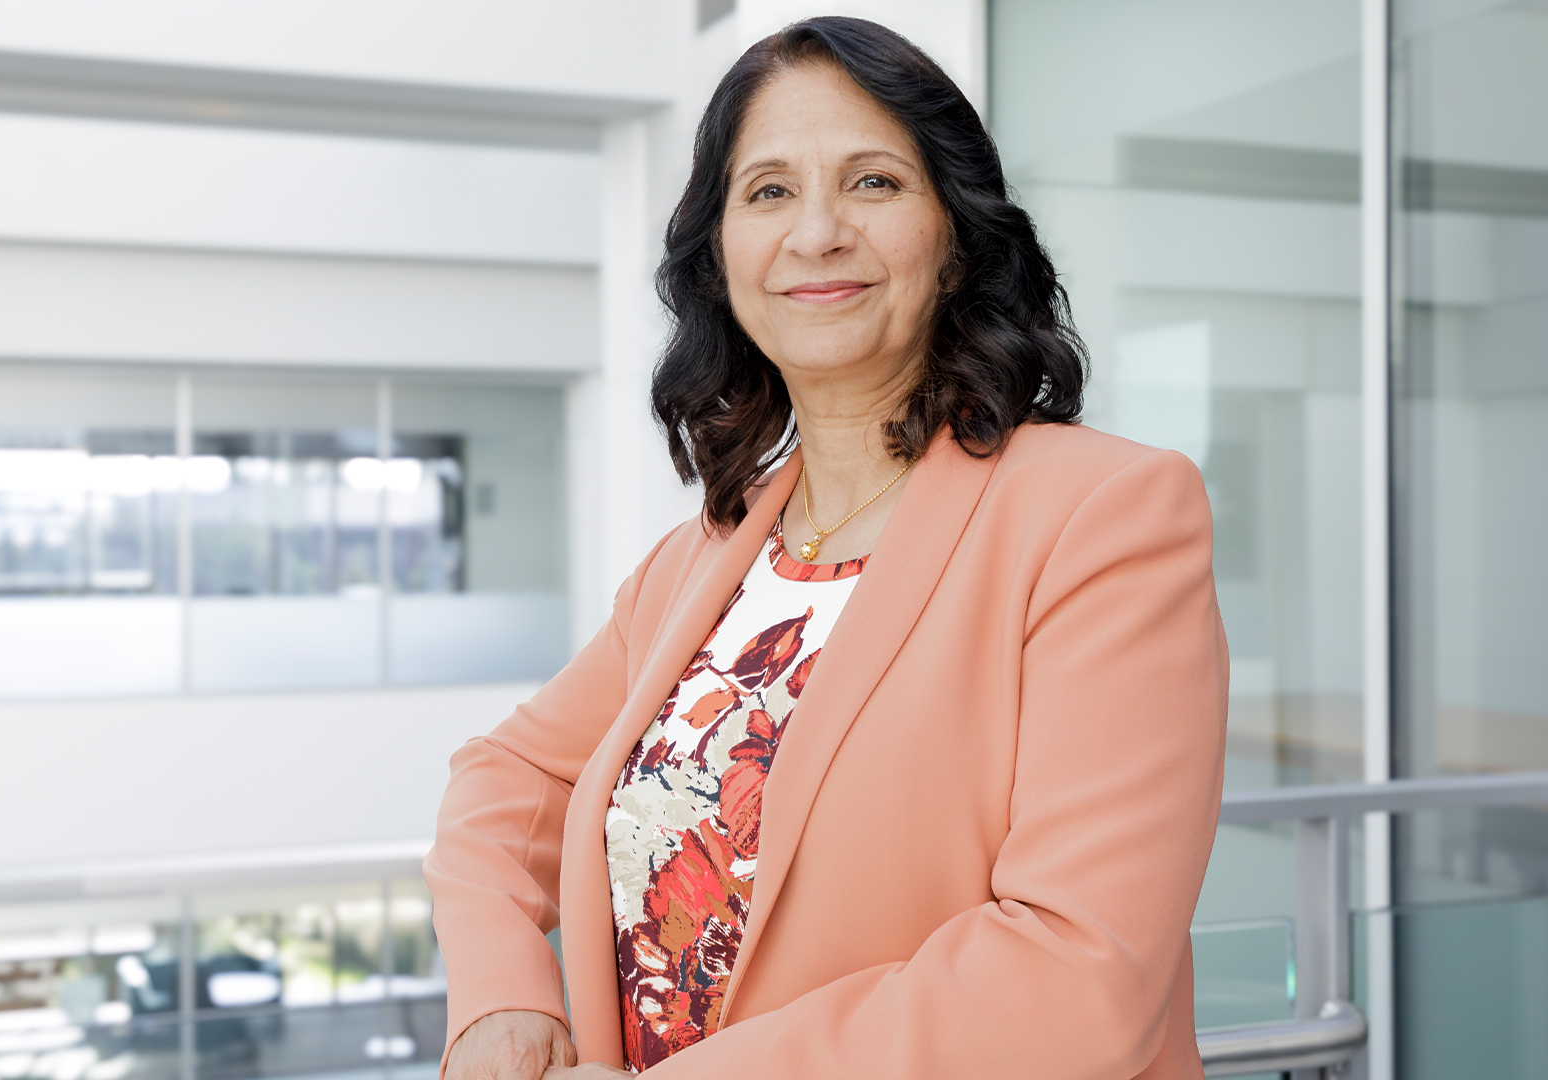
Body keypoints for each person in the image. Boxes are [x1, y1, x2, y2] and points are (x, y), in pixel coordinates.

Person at [424, 16, 1227, 1079]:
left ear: (957, 234)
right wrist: (496, 1001)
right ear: (721, 255)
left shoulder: (1103, 515)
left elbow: (1076, 976)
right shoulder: (700, 561)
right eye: (766, 192)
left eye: (872, 183)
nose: (815, 233)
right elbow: (500, 784)